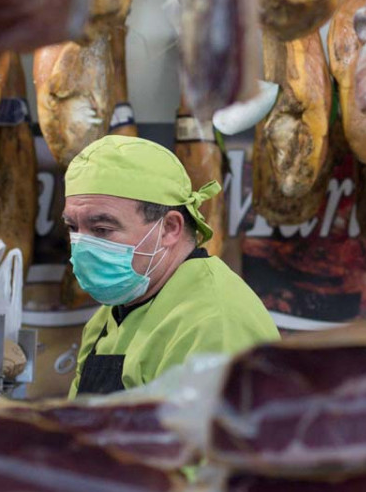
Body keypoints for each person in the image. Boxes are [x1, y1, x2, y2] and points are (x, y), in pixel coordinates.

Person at [63, 135, 279, 397]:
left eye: (102, 229)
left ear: (170, 228)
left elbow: (210, 435)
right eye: (73, 228)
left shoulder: (214, 323)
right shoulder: (110, 315)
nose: (83, 246)